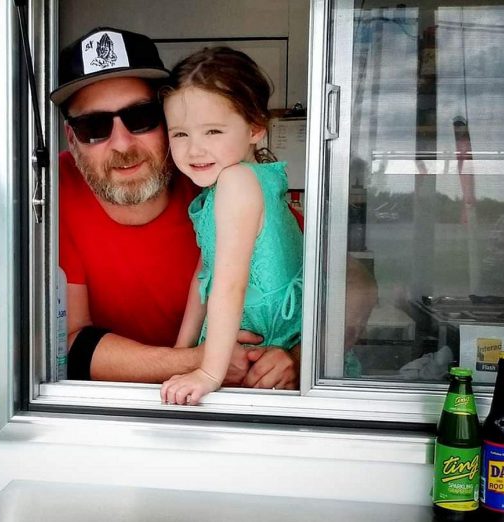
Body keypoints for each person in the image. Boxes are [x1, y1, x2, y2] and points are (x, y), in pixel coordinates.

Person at [51, 27, 377, 391]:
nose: (122, 143)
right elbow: (66, 342)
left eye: (141, 117)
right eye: (93, 126)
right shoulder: (53, 189)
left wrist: (300, 356)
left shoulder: (212, 174)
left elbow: (353, 282)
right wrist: (197, 360)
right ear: (71, 138)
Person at [158, 47, 303, 405]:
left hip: (264, 344)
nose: (194, 150)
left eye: (213, 131)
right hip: (245, 345)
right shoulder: (224, 185)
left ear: (255, 127)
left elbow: (229, 284)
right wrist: (180, 352)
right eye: (180, 134)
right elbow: (204, 273)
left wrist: (209, 371)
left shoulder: (238, 182)